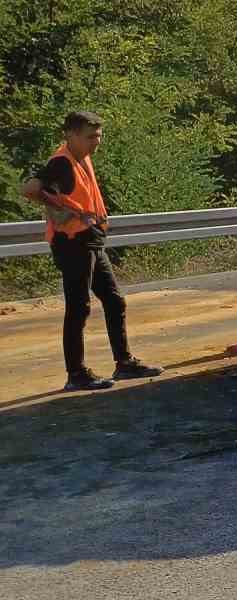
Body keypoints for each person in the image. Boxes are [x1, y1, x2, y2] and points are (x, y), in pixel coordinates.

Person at [19, 111, 163, 391]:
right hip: (73, 244)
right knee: (79, 307)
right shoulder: (61, 162)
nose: (96, 142)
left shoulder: (79, 157)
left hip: (90, 242)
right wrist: (64, 207)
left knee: (114, 300)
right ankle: (76, 373)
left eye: (99, 135)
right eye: (90, 137)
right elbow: (30, 188)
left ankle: (124, 363)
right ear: (70, 135)